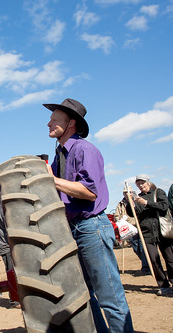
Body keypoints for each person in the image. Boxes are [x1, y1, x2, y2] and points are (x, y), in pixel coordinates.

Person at [45, 98, 133, 332]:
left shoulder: (85, 149)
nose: (48, 123)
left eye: (55, 119)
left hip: (91, 227)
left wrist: (51, 180)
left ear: (71, 123)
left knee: (109, 298)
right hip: (73, 230)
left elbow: (90, 192)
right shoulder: (59, 155)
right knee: (84, 296)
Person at [125, 174, 173, 296]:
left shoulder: (158, 192)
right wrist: (129, 201)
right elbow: (133, 213)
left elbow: (163, 207)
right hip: (147, 234)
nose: (141, 186)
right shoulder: (138, 198)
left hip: (162, 231)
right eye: (138, 184)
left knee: (170, 259)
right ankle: (163, 285)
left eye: (142, 183)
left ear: (148, 182)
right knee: (154, 260)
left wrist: (146, 203)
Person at [0, 193, 20, 308]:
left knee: (10, 271)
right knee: (11, 272)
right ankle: (14, 299)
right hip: (7, 245)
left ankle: (14, 298)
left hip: (3, 246)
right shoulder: (2, 209)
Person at [115, 186, 149, 274]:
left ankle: (146, 267)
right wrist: (121, 219)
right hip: (128, 229)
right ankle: (147, 263)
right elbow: (116, 215)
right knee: (135, 247)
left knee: (142, 246)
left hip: (138, 226)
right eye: (125, 192)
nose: (127, 194)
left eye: (129, 192)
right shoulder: (121, 204)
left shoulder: (137, 200)